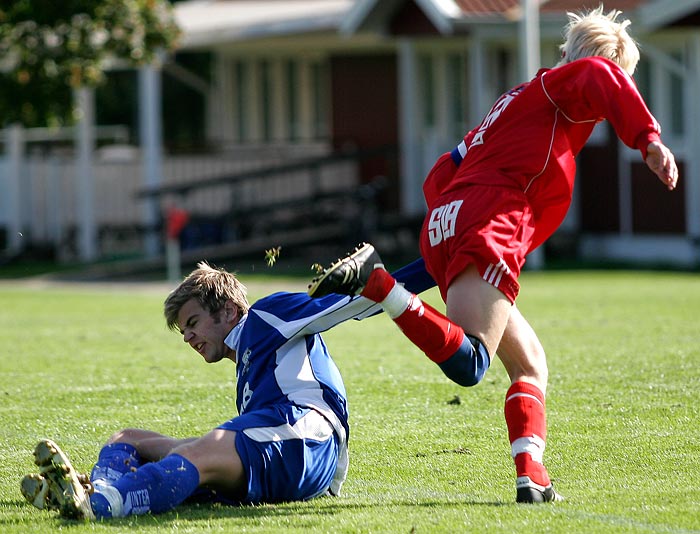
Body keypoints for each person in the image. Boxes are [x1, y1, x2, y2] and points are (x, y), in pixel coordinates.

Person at [307, 6, 678, 504]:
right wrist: (648, 139)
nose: (611, 97)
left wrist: (449, 229)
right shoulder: (566, 87)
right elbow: (596, 74)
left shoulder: (517, 100)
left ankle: (532, 474)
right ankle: (378, 283)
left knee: (530, 364)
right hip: (490, 219)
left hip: (451, 216)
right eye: (619, 83)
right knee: (471, 363)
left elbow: (443, 168)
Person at [20, 259, 433, 520]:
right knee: (128, 439)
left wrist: (436, 264)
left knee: (199, 451)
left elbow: (357, 301)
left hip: (309, 440)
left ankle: (98, 506)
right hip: (279, 441)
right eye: (183, 331)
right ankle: (97, 489)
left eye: (193, 322)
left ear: (230, 310)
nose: (187, 337)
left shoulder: (267, 316)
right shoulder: (248, 368)